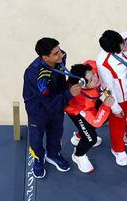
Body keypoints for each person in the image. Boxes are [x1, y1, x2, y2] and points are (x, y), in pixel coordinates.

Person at [23, 37, 82, 178]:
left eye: (59, 50)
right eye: (55, 53)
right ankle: (38, 158)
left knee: (56, 133)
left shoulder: (61, 58)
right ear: (45, 57)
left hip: (57, 104)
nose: (60, 55)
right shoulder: (36, 74)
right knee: (36, 138)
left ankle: (53, 154)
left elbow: (61, 79)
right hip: (38, 110)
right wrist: (69, 94)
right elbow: (46, 100)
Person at [96, 30, 127, 167]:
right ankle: (118, 149)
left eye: (123, 44)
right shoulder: (103, 62)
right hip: (120, 96)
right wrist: (115, 108)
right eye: (120, 49)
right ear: (111, 51)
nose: (124, 48)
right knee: (118, 123)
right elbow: (106, 88)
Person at [65, 62, 115, 173]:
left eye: (93, 74)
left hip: (92, 102)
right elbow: (96, 121)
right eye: (91, 80)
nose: (95, 78)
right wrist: (106, 105)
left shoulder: (90, 67)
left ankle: (79, 136)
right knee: (90, 138)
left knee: (106, 116)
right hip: (78, 111)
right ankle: (78, 155)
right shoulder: (81, 101)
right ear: (82, 86)